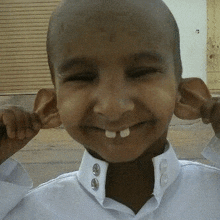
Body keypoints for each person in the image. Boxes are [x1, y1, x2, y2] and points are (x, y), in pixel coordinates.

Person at [0, 0, 220, 219]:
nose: (113, 107)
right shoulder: (31, 213)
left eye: (141, 72)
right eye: (82, 77)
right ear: (51, 107)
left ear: (185, 96)